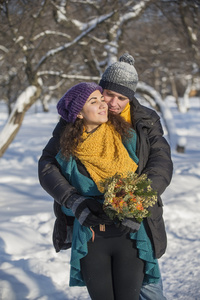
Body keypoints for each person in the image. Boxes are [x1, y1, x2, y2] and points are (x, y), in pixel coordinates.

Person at [38, 53, 173, 300]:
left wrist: (136, 201)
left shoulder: (142, 121)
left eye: (121, 97)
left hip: (136, 220)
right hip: (92, 228)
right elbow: (48, 163)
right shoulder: (77, 118)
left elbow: (161, 164)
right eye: (108, 94)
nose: (111, 102)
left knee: (150, 291)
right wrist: (72, 199)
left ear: (130, 98)